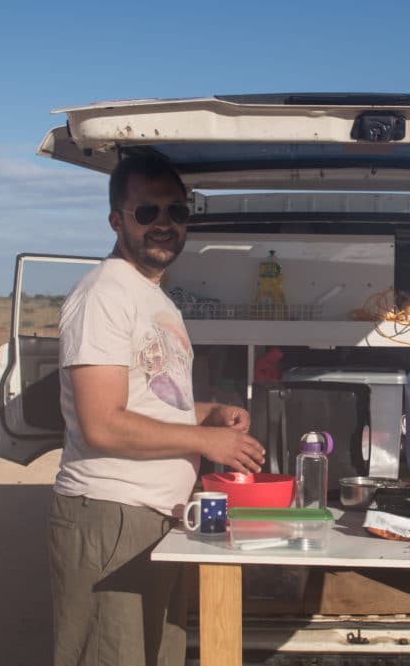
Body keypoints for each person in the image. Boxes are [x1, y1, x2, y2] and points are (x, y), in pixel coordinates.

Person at [49, 155, 266, 666]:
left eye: (177, 211)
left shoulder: (156, 300)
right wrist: (206, 442)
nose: (164, 223)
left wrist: (208, 414)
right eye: (147, 211)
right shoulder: (104, 293)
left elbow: (151, 402)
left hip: (158, 514)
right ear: (117, 220)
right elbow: (101, 424)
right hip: (110, 515)